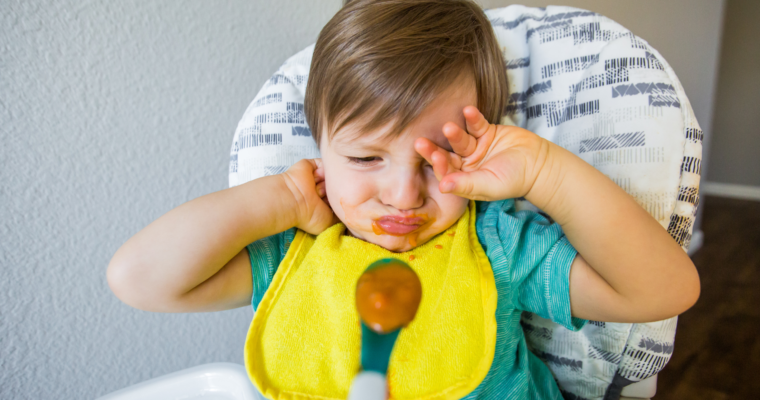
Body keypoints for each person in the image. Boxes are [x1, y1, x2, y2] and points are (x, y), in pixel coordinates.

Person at [107, 0, 700, 398]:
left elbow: (664, 292)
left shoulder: (495, 247)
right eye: (365, 159)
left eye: (438, 159)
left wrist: (546, 173)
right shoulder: (294, 254)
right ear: (320, 151)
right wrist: (281, 197)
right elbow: (140, 280)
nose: (402, 193)